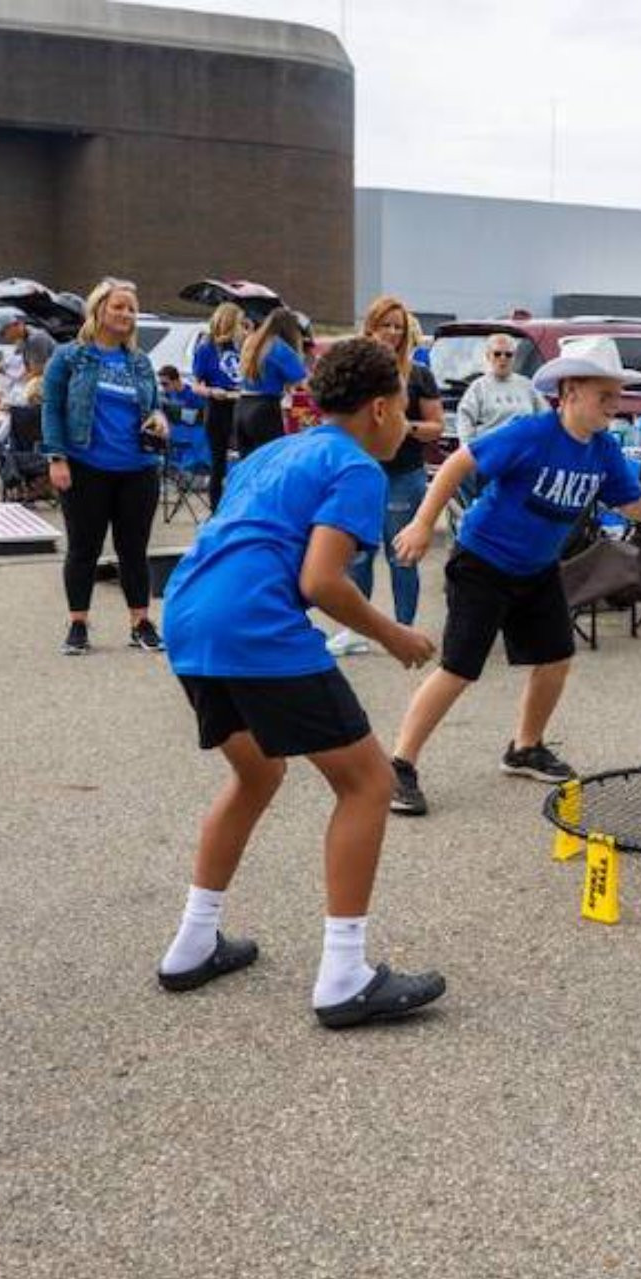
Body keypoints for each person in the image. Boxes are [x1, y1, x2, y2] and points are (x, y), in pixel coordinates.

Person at [158, 336, 447, 1028]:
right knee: (369, 782)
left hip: (189, 619)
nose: (409, 419)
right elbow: (319, 581)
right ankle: (345, 975)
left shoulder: (276, 450)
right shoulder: (357, 468)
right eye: (406, 404)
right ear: (380, 408)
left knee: (256, 775)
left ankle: (192, 944)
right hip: (255, 625)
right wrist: (394, 634)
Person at [384, 336, 641, 816]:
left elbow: (633, 504)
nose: (614, 407)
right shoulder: (531, 434)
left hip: (536, 569)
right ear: (572, 390)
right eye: (606, 396)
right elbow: (459, 462)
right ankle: (400, 765)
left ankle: (525, 747)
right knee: (459, 668)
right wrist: (419, 522)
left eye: (617, 397)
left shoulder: (602, 451)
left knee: (556, 658)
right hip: (482, 561)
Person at [41, 277, 170, 656]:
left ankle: (140, 622)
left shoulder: (140, 361)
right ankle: (78, 623)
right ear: (98, 309)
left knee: (134, 548)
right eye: (118, 306)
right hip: (86, 466)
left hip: (139, 468)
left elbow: (154, 405)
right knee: (84, 548)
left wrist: (160, 418)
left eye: (131, 308)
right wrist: (57, 457)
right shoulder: (69, 357)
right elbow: (52, 408)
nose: (126, 314)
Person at [327, 296, 445, 656]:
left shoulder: (419, 374)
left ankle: (403, 628)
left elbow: (436, 427)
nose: (392, 333)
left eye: (399, 327)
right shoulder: (357, 373)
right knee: (357, 554)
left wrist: (403, 426)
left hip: (402, 474)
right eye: (386, 325)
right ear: (371, 328)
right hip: (358, 474)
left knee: (402, 554)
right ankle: (354, 630)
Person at [234, 307, 308, 458]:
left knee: (247, 465)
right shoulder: (279, 347)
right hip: (264, 408)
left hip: (242, 406)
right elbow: (300, 379)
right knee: (270, 462)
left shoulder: (252, 342)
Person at [190, 301, 243, 506]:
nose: (241, 327)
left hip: (240, 405)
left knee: (245, 459)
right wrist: (212, 391)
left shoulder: (242, 344)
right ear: (229, 322)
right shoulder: (207, 347)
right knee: (218, 463)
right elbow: (195, 386)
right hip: (218, 406)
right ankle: (216, 509)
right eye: (238, 323)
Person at [454, 333, 547, 445]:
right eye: (497, 354)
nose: (503, 358)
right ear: (488, 356)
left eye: (508, 354)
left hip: (523, 453)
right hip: (491, 452)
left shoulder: (528, 386)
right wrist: (470, 449)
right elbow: (464, 419)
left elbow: (545, 417)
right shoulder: (478, 387)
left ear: (514, 357)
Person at [0, 309, 58, 384]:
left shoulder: (35, 339)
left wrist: (5, 372)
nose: (3, 337)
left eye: (3, 333)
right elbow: (18, 357)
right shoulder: (23, 336)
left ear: (12, 326)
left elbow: (36, 372)